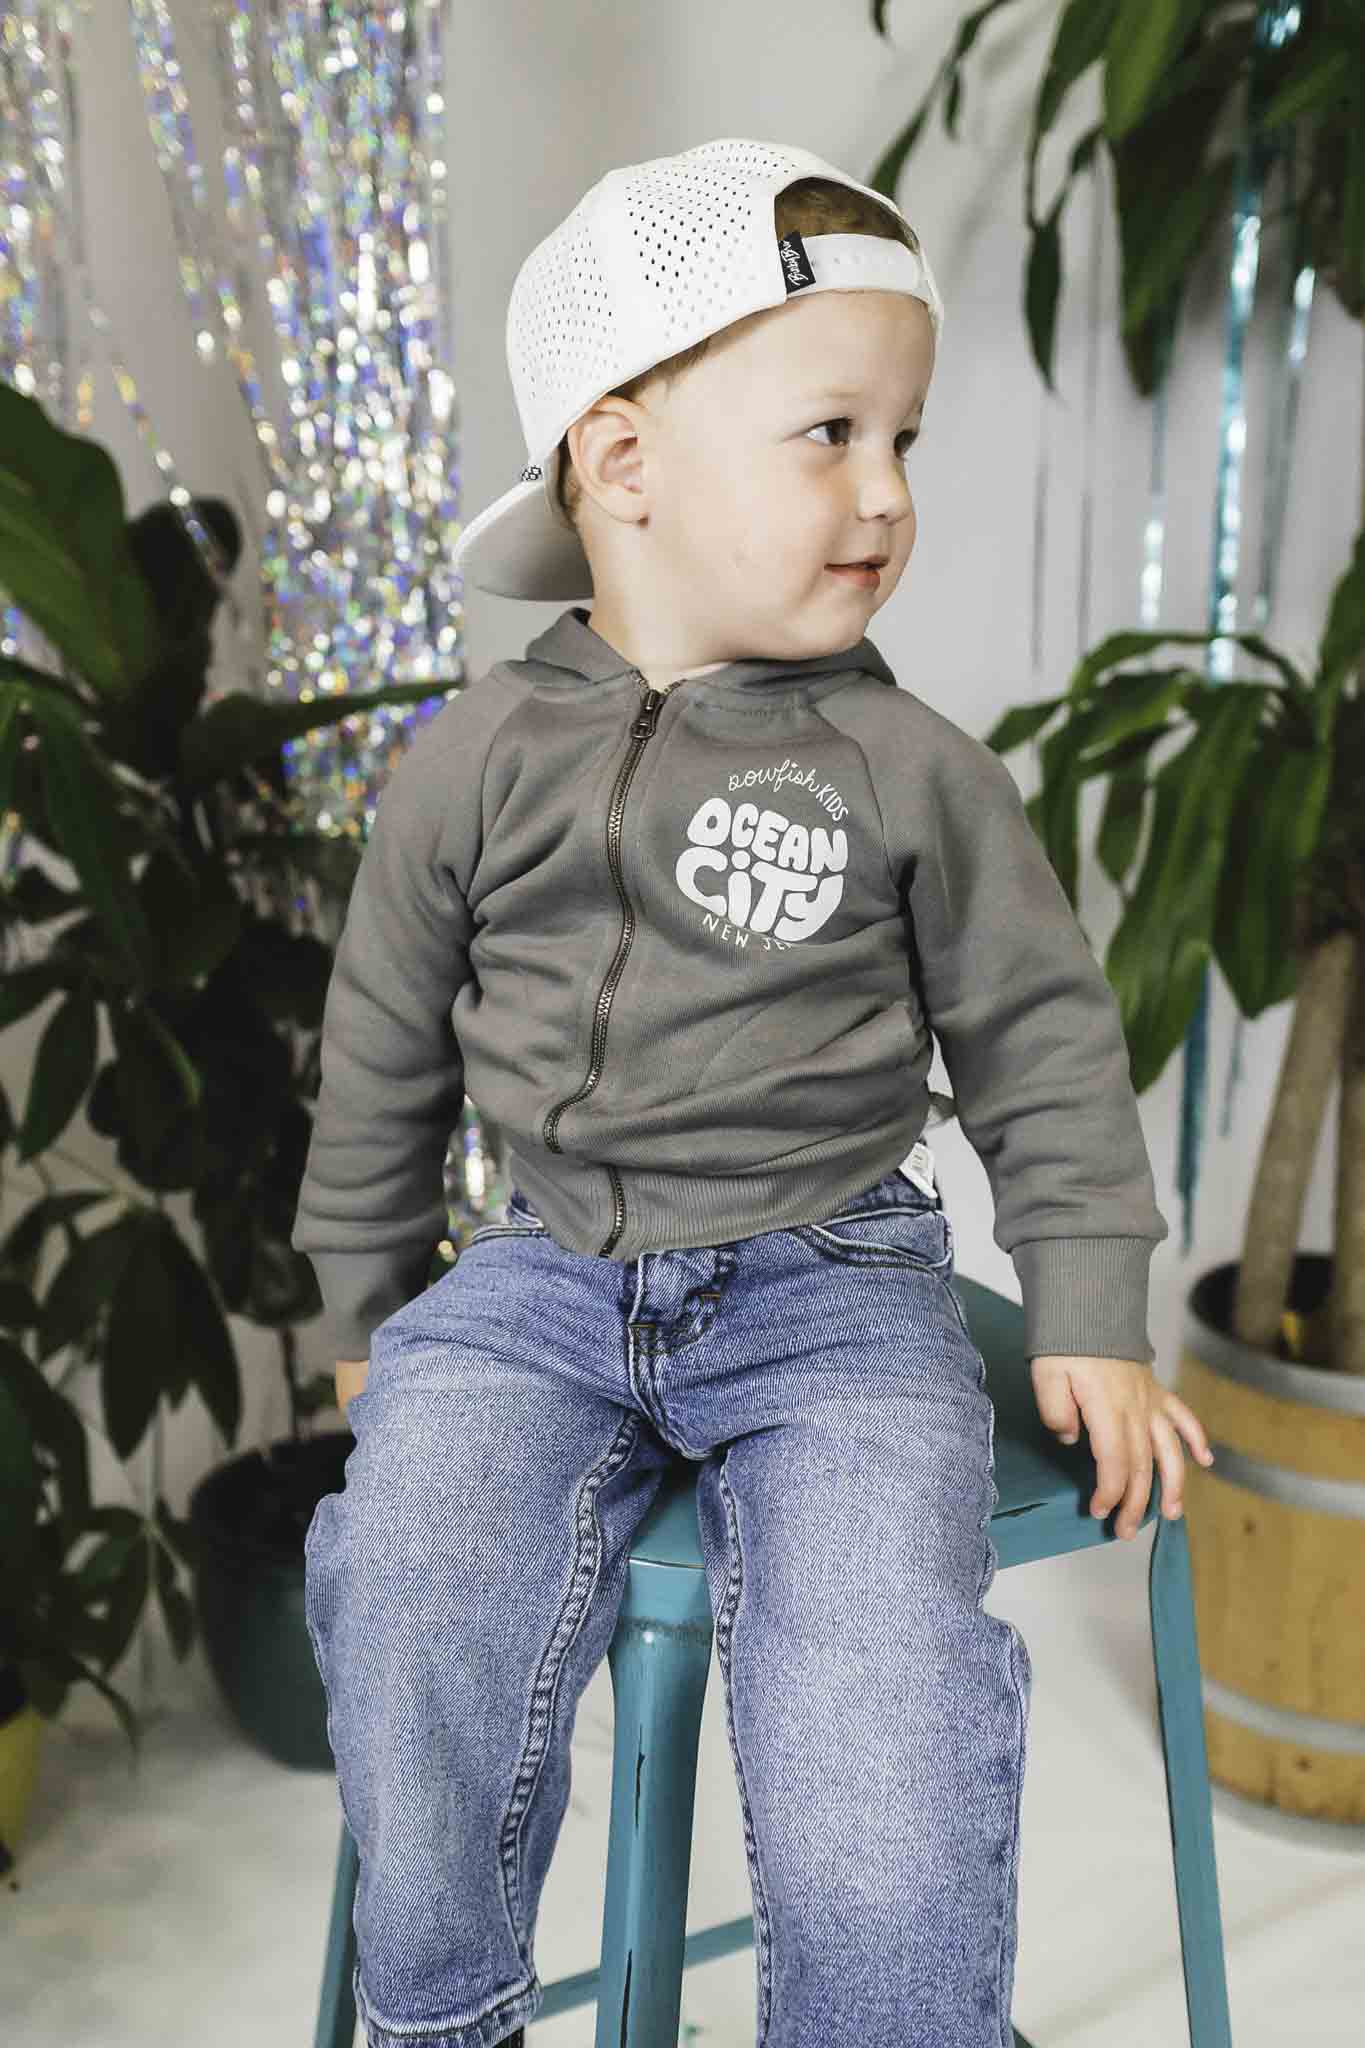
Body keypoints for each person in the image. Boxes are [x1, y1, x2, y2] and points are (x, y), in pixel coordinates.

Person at [292, 138, 1214, 2048]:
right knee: (407, 1583)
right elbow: (380, 1042)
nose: (886, 494)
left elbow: (1040, 1040)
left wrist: (1089, 1308)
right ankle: (441, 2017)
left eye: (903, 441)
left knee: (882, 1706)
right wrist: (366, 1308)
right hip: (541, 1275)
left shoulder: (910, 766)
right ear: (623, 465)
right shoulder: (476, 756)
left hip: (831, 1291)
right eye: (829, 434)